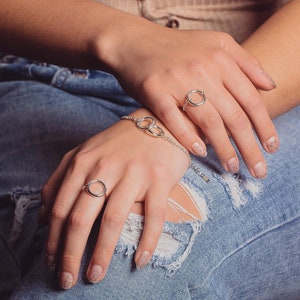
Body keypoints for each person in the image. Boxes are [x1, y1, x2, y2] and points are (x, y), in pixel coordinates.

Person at [0, 0, 299, 298]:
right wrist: (123, 39)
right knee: (74, 243)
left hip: (266, 79)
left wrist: (173, 121)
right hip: (48, 82)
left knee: (128, 239)